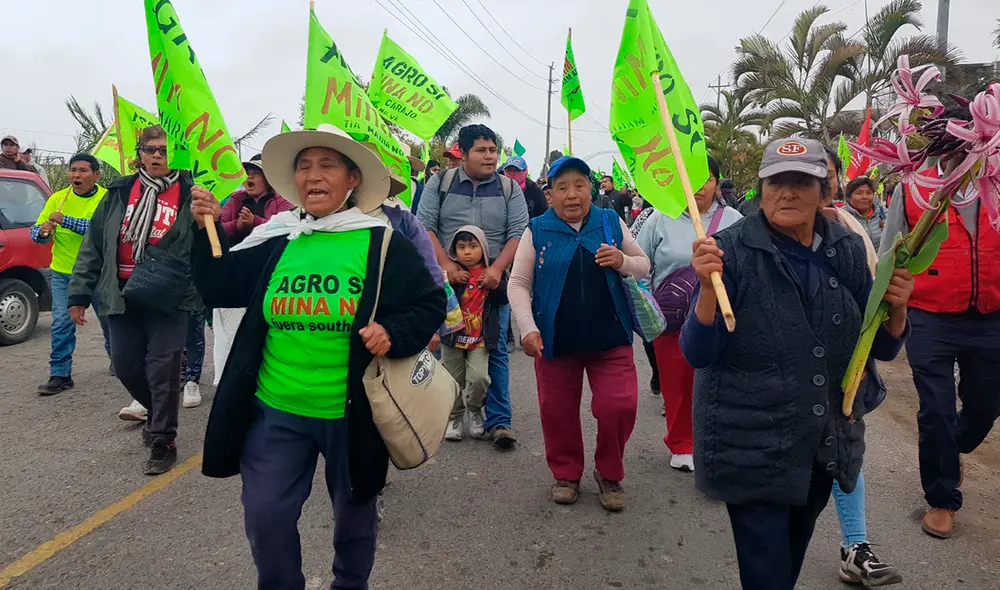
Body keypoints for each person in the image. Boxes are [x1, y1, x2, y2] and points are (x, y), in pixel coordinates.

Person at [190, 123, 445, 589]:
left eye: (327, 165)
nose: (313, 175)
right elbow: (220, 284)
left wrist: (393, 331)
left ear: (352, 180)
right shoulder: (279, 238)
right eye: (304, 166)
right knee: (265, 517)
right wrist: (202, 227)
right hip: (276, 409)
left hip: (352, 414)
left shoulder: (381, 242)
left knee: (354, 517)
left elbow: (429, 303)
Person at [682, 138, 912, 590]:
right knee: (767, 570)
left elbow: (879, 349)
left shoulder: (845, 248)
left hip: (820, 443)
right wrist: (707, 291)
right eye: (776, 181)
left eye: (802, 182)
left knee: (787, 560)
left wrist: (898, 308)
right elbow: (698, 352)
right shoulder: (728, 251)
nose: (787, 192)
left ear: (824, 192)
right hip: (749, 443)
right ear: (761, 189)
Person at [879, 108, 1000, 540]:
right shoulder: (912, 190)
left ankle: (956, 444)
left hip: (991, 316)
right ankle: (942, 497)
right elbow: (890, 255)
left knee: (987, 404)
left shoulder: (997, 186)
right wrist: (887, 304)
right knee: (935, 409)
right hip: (930, 317)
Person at [509, 156, 649, 511]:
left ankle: (609, 472)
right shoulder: (536, 230)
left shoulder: (609, 222)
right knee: (556, 411)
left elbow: (644, 263)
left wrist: (622, 261)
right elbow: (519, 283)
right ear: (550, 194)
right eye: (562, 187)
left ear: (591, 189)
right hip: (556, 343)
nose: (572, 195)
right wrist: (527, 327)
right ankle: (566, 473)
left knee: (619, 405)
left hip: (611, 338)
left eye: (580, 186)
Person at [68, 125, 201, 475]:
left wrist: (210, 221)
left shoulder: (192, 194)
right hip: (122, 294)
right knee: (125, 365)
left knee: (163, 369)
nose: (157, 155)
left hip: (170, 297)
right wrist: (79, 293)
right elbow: (94, 245)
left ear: (176, 156)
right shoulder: (119, 191)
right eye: (150, 149)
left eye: (164, 150)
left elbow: (206, 250)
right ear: (139, 154)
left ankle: (163, 440)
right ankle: (159, 414)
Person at [418, 124, 529, 450]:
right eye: (482, 150)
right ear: (463, 154)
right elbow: (425, 227)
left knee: (493, 350)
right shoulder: (439, 184)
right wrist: (448, 266)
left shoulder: (510, 189)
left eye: (493, 150)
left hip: (491, 288)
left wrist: (496, 268)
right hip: (450, 289)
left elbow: (518, 232)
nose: (490, 156)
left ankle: (498, 421)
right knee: (448, 351)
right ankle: (449, 414)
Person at [636, 155, 742, 472]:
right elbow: (640, 264)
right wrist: (647, 305)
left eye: (707, 178)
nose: (699, 186)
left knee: (717, 383)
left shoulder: (735, 220)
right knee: (677, 382)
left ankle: (714, 442)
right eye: (692, 177)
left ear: (717, 183)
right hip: (672, 320)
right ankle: (681, 442)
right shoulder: (658, 219)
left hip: (721, 317)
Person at [31, 154, 111, 395]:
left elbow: (100, 232)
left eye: (84, 170)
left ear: (96, 175)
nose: (77, 175)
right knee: (62, 324)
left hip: (98, 273)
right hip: (64, 274)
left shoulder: (106, 198)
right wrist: (44, 231)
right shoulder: (57, 199)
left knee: (111, 323)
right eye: (73, 170)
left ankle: (120, 360)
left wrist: (66, 221)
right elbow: (35, 233)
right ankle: (60, 374)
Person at [441, 225, 507, 441]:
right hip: (452, 338)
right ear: (454, 250)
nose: (467, 252)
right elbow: (435, 299)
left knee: (479, 377)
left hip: (480, 338)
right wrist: (449, 281)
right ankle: (455, 416)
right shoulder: (452, 275)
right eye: (461, 247)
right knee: (452, 380)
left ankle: (474, 409)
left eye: (472, 246)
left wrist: (494, 285)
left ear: (484, 249)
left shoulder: (492, 273)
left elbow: (504, 298)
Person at [220, 154, 295, 245]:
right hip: (236, 254)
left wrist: (255, 221)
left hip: (271, 255)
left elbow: (287, 227)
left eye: (256, 173)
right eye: (247, 173)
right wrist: (237, 225)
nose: (249, 177)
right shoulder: (235, 199)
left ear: (267, 179)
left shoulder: (282, 200)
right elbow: (218, 229)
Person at [843, 176, 886, 248]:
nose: (864, 197)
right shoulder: (841, 216)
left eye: (869, 193)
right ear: (849, 197)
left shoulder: (885, 214)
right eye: (859, 193)